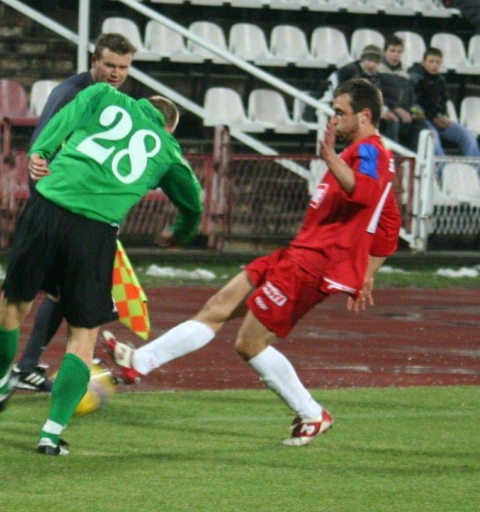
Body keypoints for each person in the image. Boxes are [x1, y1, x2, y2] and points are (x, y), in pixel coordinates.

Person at [104, 78, 402, 447]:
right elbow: (389, 224)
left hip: (312, 266)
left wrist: (329, 159)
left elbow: (368, 194)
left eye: (340, 113)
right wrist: (367, 275)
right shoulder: (358, 157)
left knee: (248, 343)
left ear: (365, 116)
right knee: (217, 306)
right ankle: (139, 362)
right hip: (294, 255)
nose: (334, 120)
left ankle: (311, 414)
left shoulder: (372, 152)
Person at [0, 82, 203, 456]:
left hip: (46, 210)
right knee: (83, 336)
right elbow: (193, 203)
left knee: (12, 307)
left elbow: (66, 115)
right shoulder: (167, 148)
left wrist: (42, 150)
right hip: (93, 232)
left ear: (139, 104)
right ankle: (50, 434)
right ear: (170, 128)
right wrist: (178, 234)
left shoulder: (103, 95)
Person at [12, 33, 137, 393]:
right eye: (110, 65)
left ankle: (33, 364)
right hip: (58, 209)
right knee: (51, 291)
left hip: (84, 211)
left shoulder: (115, 99)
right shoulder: (70, 94)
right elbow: (41, 147)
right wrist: (48, 205)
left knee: (63, 292)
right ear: (93, 60)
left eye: (123, 68)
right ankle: (31, 364)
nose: (116, 73)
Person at [409, 47, 480, 157]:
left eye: (437, 62)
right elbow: (415, 105)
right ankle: (441, 172)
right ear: (423, 63)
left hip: (437, 120)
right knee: (433, 137)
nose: (434, 65)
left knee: (467, 135)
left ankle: (477, 172)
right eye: (431, 61)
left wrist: (444, 117)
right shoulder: (415, 79)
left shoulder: (441, 80)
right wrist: (433, 118)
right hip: (422, 120)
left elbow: (443, 105)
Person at [377, 35, 430, 153]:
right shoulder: (378, 72)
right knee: (393, 120)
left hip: (404, 116)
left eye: (399, 52)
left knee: (423, 126)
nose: (396, 55)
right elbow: (378, 97)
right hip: (385, 116)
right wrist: (396, 109)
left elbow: (411, 99)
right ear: (384, 51)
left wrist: (414, 112)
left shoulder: (405, 75)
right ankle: (391, 161)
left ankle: (415, 164)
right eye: (392, 51)